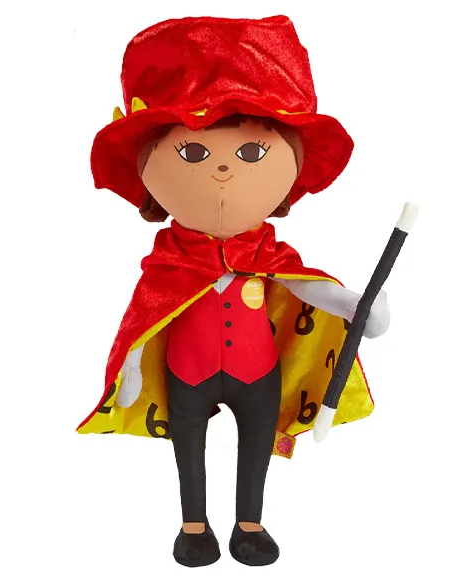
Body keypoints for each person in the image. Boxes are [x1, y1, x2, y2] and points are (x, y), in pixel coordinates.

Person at [76, 15, 391, 567]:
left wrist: (355, 304)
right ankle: (193, 525)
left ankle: (250, 523)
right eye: (193, 153)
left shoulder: (272, 259)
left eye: (251, 154)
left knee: (256, 445)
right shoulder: (167, 265)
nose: (222, 168)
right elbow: (144, 315)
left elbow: (309, 288)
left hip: (258, 371)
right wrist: (130, 368)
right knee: (188, 449)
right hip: (188, 372)